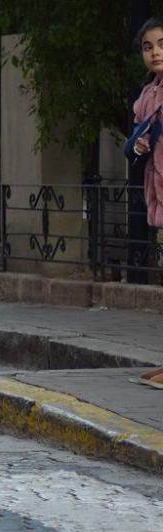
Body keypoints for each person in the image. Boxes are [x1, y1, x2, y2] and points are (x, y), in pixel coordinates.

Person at [128, 17, 163, 382]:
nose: (155, 52)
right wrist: (137, 146)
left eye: (162, 44)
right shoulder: (147, 97)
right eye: (148, 46)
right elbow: (133, 146)